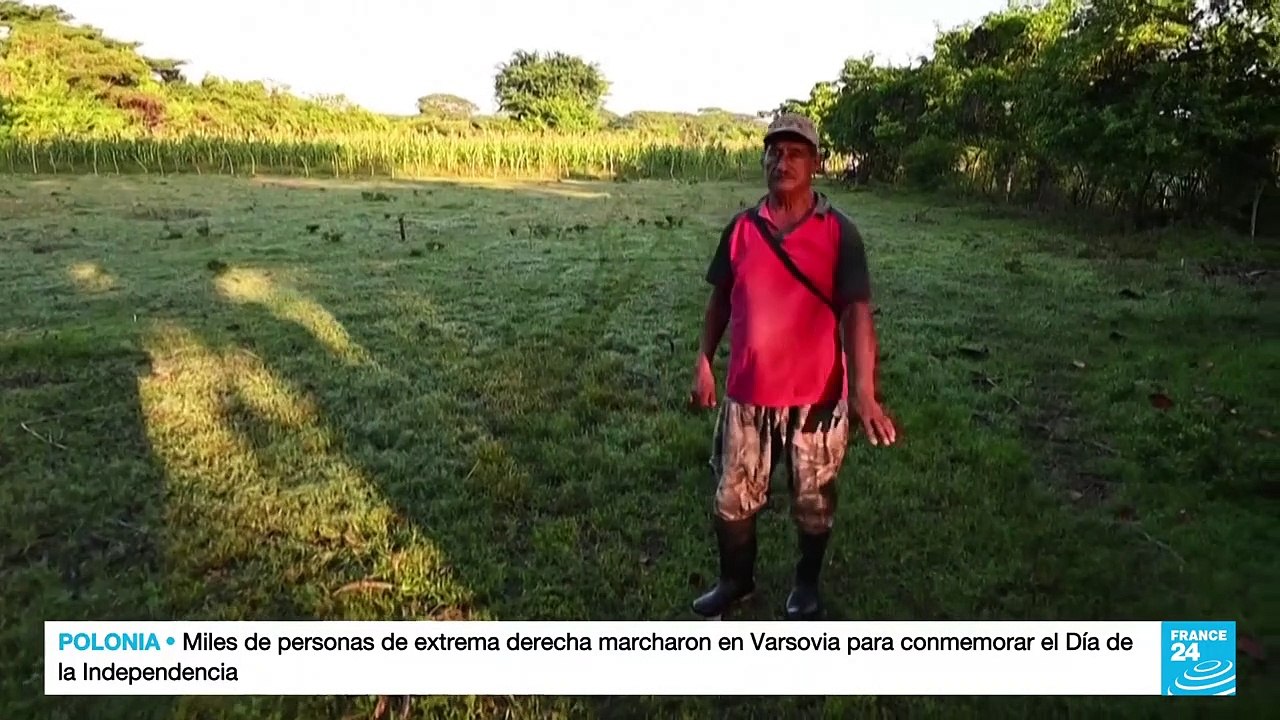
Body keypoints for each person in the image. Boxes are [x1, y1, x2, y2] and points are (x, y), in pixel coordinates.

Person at [689, 113, 897, 620]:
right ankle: (735, 582)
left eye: (795, 153)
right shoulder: (741, 229)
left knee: (813, 502)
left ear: (816, 164)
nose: (782, 161)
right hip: (748, 392)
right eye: (774, 152)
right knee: (733, 500)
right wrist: (703, 361)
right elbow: (720, 299)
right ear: (763, 159)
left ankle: (805, 585)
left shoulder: (839, 233)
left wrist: (864, 392)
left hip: (818, 398)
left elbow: (856, 313)